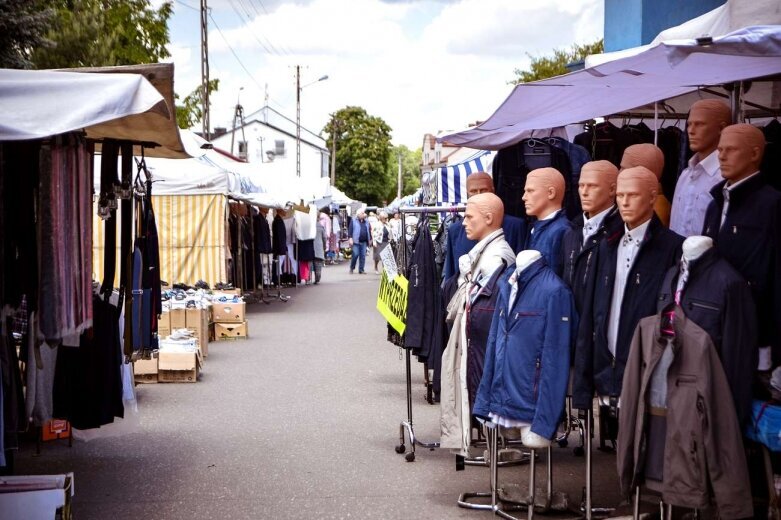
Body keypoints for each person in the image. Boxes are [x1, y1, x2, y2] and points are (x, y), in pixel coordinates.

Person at [442, 172, 527, 280]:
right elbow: (451, 274)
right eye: (473, 191)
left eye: (483, 190)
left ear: (493, 191)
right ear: (467, 194)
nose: (479, 194)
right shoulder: (455, 230)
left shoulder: (515, 227)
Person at [669, 99, 731, 237]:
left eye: (699, 124)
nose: (690, 131)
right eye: (689, 124)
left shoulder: (725, 177)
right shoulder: (685, 175)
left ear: (721, 128)